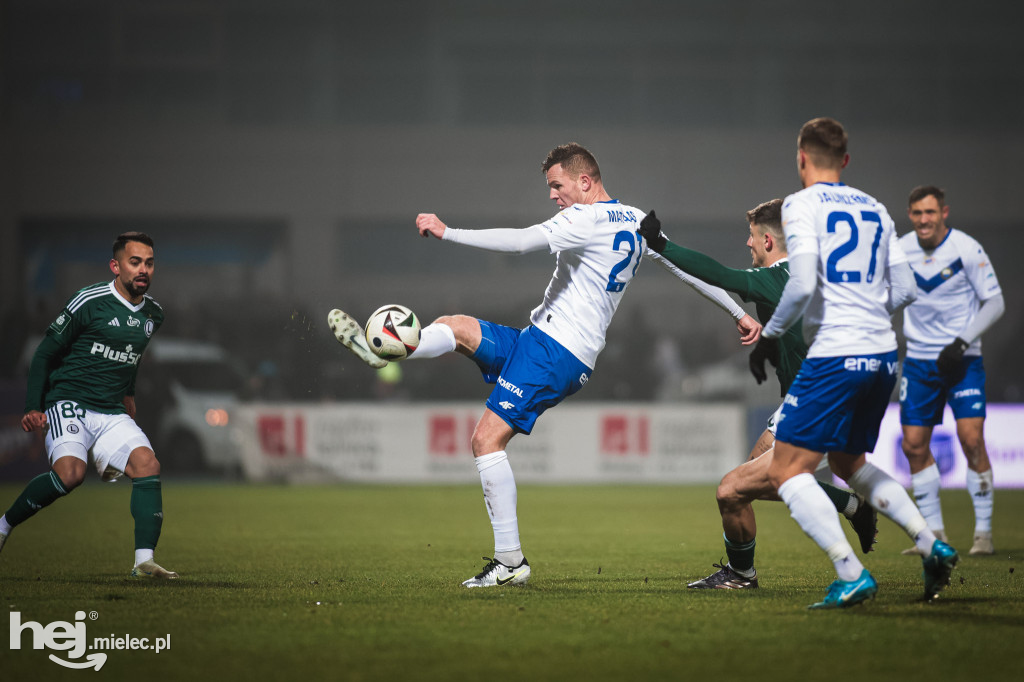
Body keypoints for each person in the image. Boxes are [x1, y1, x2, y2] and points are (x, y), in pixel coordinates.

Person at [328, 142, 759, 588]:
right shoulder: (634, 219)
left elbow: (518, 242)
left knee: (485, 441)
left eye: (558, 185)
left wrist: (447, 231)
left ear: (585, 181)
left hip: (556, 351)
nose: (553, 196)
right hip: (539, 340)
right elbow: (685, 267)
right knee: (454, 327)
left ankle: (510, 562)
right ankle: (387, 352)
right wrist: (738, 312)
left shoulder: (584, 217)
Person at [748, 117, 958, 608]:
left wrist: (769, 336)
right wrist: (867, 314)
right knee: (849, 463)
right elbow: (905, 289)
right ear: (845, 161)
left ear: (801, 158)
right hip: (884, 353)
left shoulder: (801, 205)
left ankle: (850, 571)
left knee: (785, 471)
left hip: (837, 353)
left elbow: (800, 285)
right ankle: (932, 543)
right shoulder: (877, 209)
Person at [639, 199, 877, 590]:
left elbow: (719, 275)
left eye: (751, 238)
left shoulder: (777, 277)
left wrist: (662, 244)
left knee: (732, 490)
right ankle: (852, 507)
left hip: (813, 404)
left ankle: (749, 574)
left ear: (768, 239)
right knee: (756, 480)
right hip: (817, 398)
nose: (747, 245)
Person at [0, 232, 177, 579]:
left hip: (111, 410)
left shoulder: (154, 314)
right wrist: (33, 406)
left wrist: (128, 393)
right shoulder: (89, 300)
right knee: (70, 475)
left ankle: (144, 562)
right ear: (116, 265)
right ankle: (4, 525)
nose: (143, 269)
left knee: (148, 465)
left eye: (149, 262)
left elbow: (132, 357)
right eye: (135, 261)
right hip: (70, 402)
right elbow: (45, 352)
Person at [898, 186, 1004, 556]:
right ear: (910, 215)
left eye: (930, 212)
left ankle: (984, 535)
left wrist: (961, 342)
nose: (923, 220)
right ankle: (934, 535)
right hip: (919, 362)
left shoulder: (966, 249)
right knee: (913, 446)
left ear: (944, 212)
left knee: (972, 440)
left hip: (963, 361)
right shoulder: (901, 249)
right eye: (916, 213)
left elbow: (995, 302)